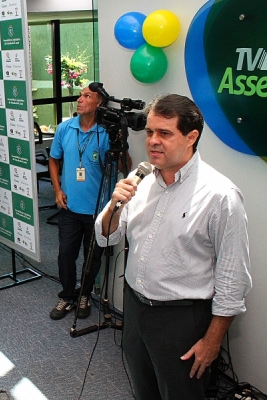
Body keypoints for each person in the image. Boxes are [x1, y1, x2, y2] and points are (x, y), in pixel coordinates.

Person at [96, 94, 252, 399]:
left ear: (191, 137)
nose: (153, 141)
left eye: (165, 133)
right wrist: (114, 205)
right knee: (144, 390)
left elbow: (233, 279)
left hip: (182, 319)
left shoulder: (220, 195)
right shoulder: (139, 178)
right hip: (136, 309)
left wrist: (212, 341)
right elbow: (106, 237)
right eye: (150, 132)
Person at [47, 84, 109, 320]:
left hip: (98, 209)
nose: (80, 99)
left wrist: (120, 146)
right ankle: (68, 296)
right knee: (65, 255)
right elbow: (53, 159)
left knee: (92, 256)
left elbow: (122, 165)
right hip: (70, 207)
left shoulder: (105, 133)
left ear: (99, 103)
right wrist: (57, 189)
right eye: (80, 95)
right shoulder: (65, 128)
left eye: (87, 96)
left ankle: (84, 294)